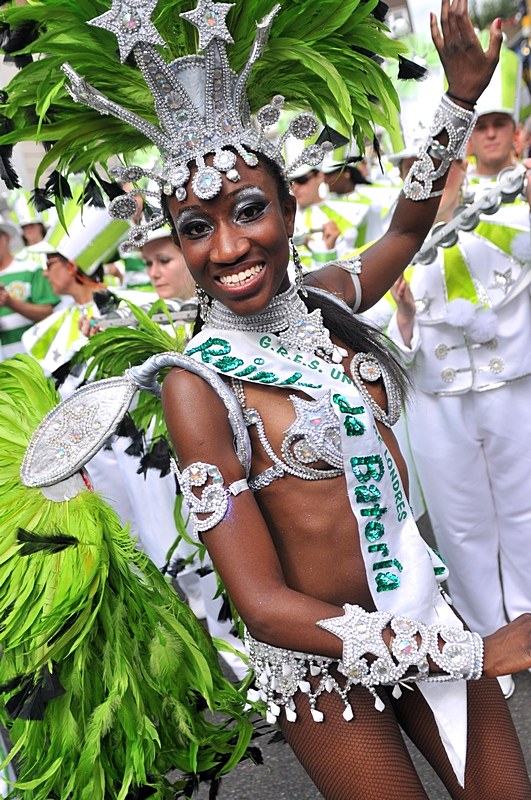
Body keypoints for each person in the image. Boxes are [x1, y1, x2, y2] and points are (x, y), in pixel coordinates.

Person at [2, 1, 531, 798]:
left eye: (247, 210)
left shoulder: (327, 300)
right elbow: (259, 602)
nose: (227, 247)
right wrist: (469, 654)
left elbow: (403, 229)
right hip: (321, 667)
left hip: (421, 606)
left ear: (286, 208)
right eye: (194, 225)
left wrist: (457, 103)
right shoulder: (196, 385)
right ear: (174, 240)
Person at [387, 53, 531, 701]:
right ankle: (487, 636)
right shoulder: (381, 240)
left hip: (511, 391)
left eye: (438, 170)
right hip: (437, 398)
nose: (429, 182)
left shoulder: (511, 216)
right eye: (414, 172)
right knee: (461, 522)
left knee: (525, 512)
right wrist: (406, 318)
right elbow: (376, 339)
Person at [0, 216, 58, 360]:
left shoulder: (31, 269)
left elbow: (47, 313)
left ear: (5, 238)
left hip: (34, 362)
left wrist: (11, 303)